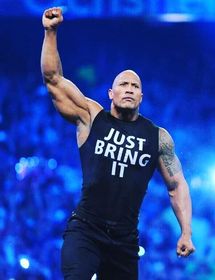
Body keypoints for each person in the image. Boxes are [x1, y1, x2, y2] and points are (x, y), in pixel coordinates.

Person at [41, 7, 195, 280]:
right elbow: (54, 80)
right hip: (85, 230)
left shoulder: (157, 137)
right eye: (123, 84)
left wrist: (186, 231)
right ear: (111, 93)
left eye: (135, 86)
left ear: (141, 96)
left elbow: (177, 184)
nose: (129, 89)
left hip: (124, 242)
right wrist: (50, 32)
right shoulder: (91, 117)